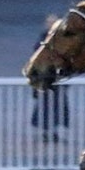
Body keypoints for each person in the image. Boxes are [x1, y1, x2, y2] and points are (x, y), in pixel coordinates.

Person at [31, 13, 70, 142]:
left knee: (57, 108)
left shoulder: (60, 40)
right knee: (46, 108)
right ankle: (47, 132)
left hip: (56, 81)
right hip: (46, 81)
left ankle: (53, 132)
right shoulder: (42, 42)